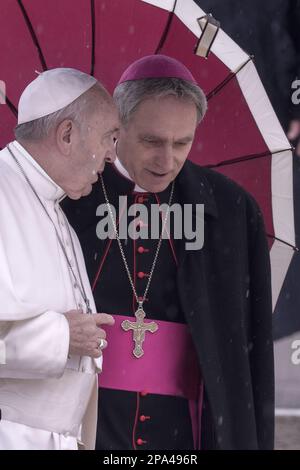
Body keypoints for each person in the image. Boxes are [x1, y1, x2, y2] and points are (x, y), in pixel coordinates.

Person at [63, 55, 274, 450]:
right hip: (87, 417)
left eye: (182, 142)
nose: (167, 160)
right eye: (152, 141)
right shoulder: (71, 198)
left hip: (187, 428)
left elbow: (251, 346)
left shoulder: (230, 209)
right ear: (117, 127)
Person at [0, 68, 119, 450]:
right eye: (108, 137)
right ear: (67, 135)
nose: (113, 154)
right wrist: (61, 337)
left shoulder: (57, 211)